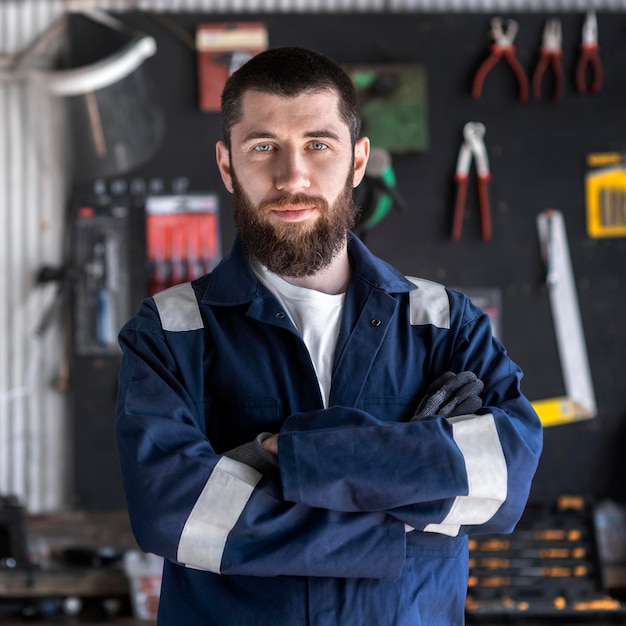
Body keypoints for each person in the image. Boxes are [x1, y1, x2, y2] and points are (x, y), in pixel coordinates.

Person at [115, 46, 542, 625]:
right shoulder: (169, 332)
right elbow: (178, 514)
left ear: (359, 161)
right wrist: (405, 490)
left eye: (318, 144)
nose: (293, 175)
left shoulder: (444, 322)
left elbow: (503, 480)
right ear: (226, 165)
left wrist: (278, 454)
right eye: (264, 147)